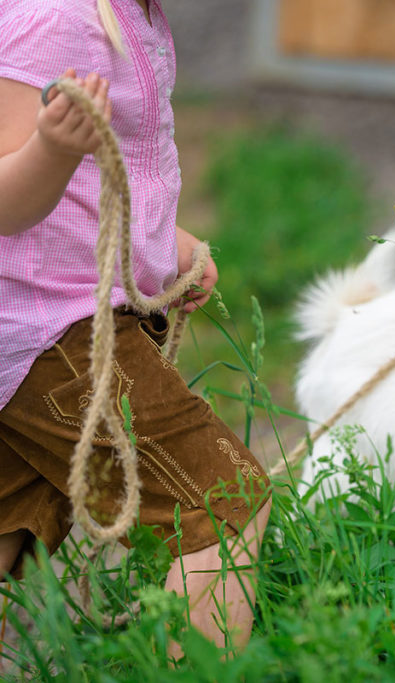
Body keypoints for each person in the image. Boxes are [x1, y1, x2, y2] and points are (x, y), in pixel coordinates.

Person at [0, 0, 272, 657]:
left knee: (11, 522)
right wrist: (51, 148)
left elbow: (106, 178)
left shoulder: (136, 17)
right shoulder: (54, 17)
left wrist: (162, 246)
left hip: (54, 320)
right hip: (51, 330)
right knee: (223, 504)